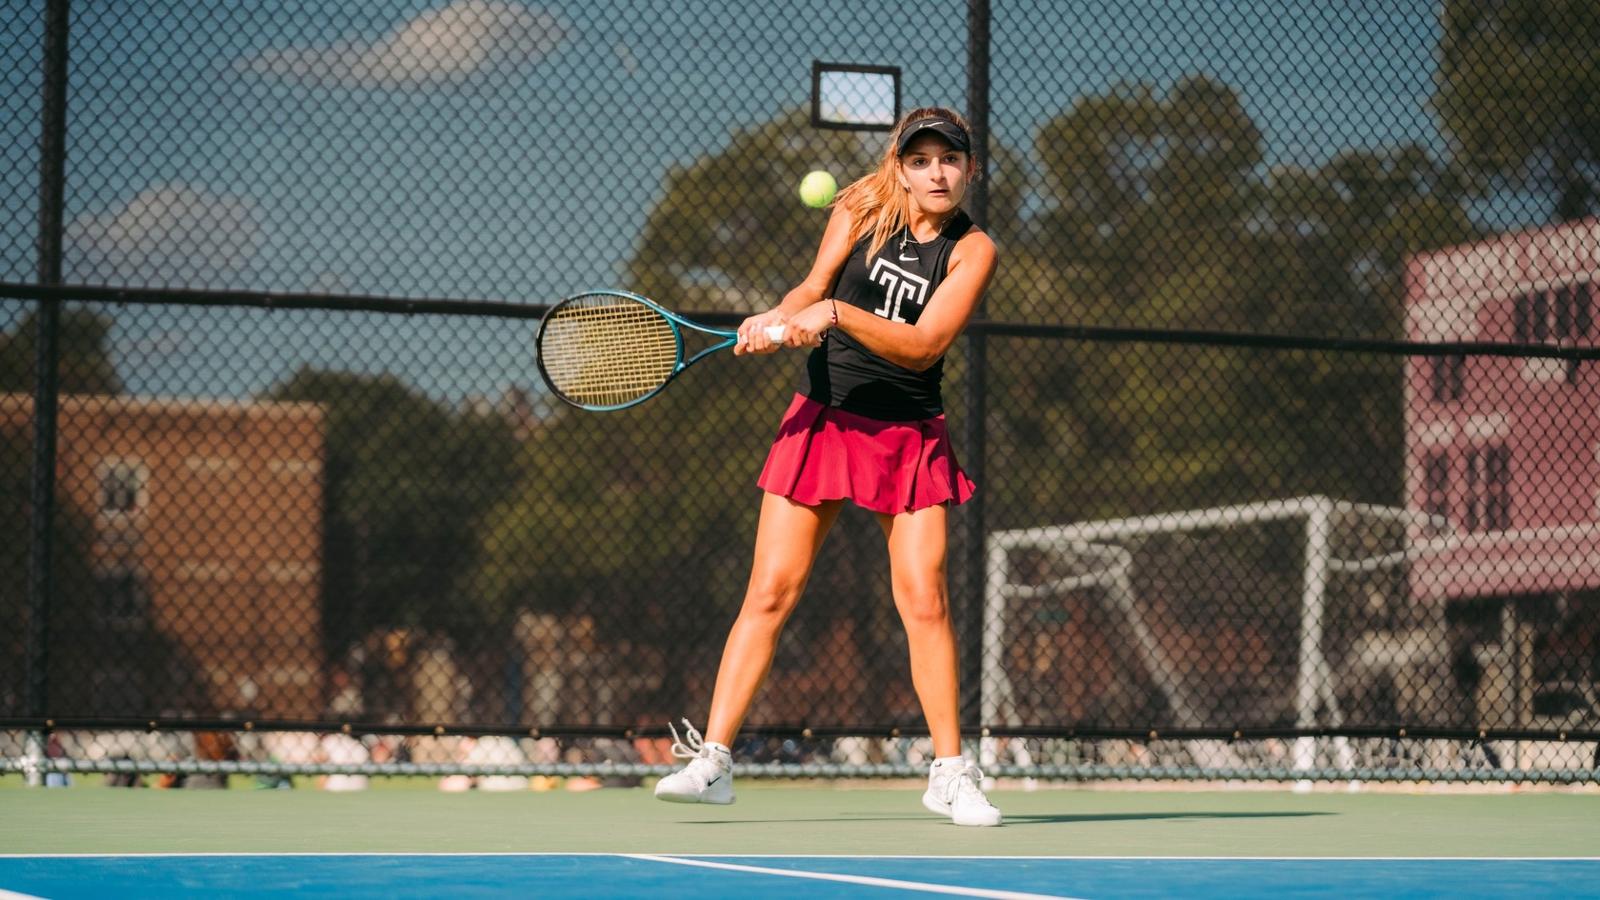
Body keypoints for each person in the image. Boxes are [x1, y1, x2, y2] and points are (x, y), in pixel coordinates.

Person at [653, 107, 1002, 826]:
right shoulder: (858, 206)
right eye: (921, 159)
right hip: (825, 416)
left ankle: (949, 773)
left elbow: (925, 344)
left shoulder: (974, 251)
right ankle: (714, 760)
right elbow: (812, 287)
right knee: (771, 591)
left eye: (950, 159)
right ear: (898, 166)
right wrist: (775, 318)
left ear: (969, 167)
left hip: (907, 433)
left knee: (924, 598)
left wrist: (837, 316)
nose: (937, 173)